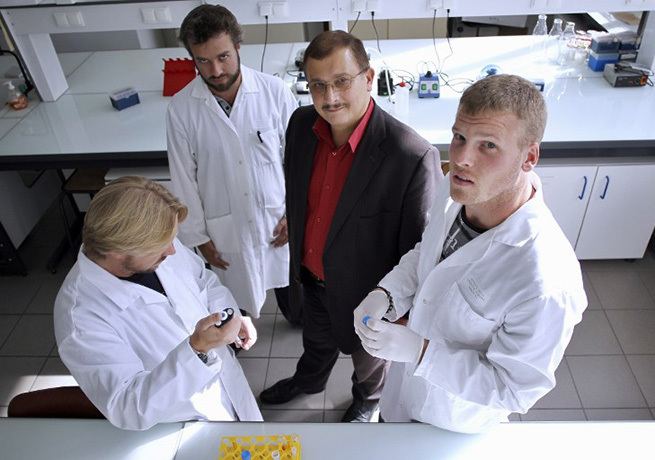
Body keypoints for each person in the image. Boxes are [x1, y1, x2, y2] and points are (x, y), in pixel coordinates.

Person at [354, 74, 588, 433]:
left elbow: (513, 389)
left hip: (450, 424)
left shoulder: (546, 279)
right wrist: (385, 295)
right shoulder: (457, 192)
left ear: (529, 157)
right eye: (459, 137)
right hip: (401, 396)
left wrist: (421, 353)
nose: (461, 158)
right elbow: (427, 256)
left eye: (488, 146)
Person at [259, 30, 442, 422]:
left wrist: (399, 316)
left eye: (342, 81)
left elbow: (417, 251)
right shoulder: (301, 124)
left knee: (370, 363)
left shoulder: (409, 155)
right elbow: (301, 190)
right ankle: (309, 381)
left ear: (369, 78)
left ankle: (366, 401)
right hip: (311, 280)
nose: (330, 98)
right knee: (315, 344)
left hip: (367, 297)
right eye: (318, 86)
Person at [54, 176, 262, 431]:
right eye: (162, 247)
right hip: (185, 427)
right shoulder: (82, 318)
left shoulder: (156, 244)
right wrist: (196, 349)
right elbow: (128, 408)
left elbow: (203, 281)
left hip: (234, 395)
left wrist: (229, 317)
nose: (172, 251)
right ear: (118, 251)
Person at [167, 4, 299, 323]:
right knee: (232, 298)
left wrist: (296, 213)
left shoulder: (275, 93)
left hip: (278, 220)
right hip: (225, 228)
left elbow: (298, 162)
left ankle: (297, 317)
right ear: (192, 59)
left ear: (239, 47)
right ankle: (237, 336)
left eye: (223, 56)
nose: (215, 71)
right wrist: (198, 237)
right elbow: (183, 178)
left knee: (294, 292)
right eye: (204, 61)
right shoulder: (182, 109)